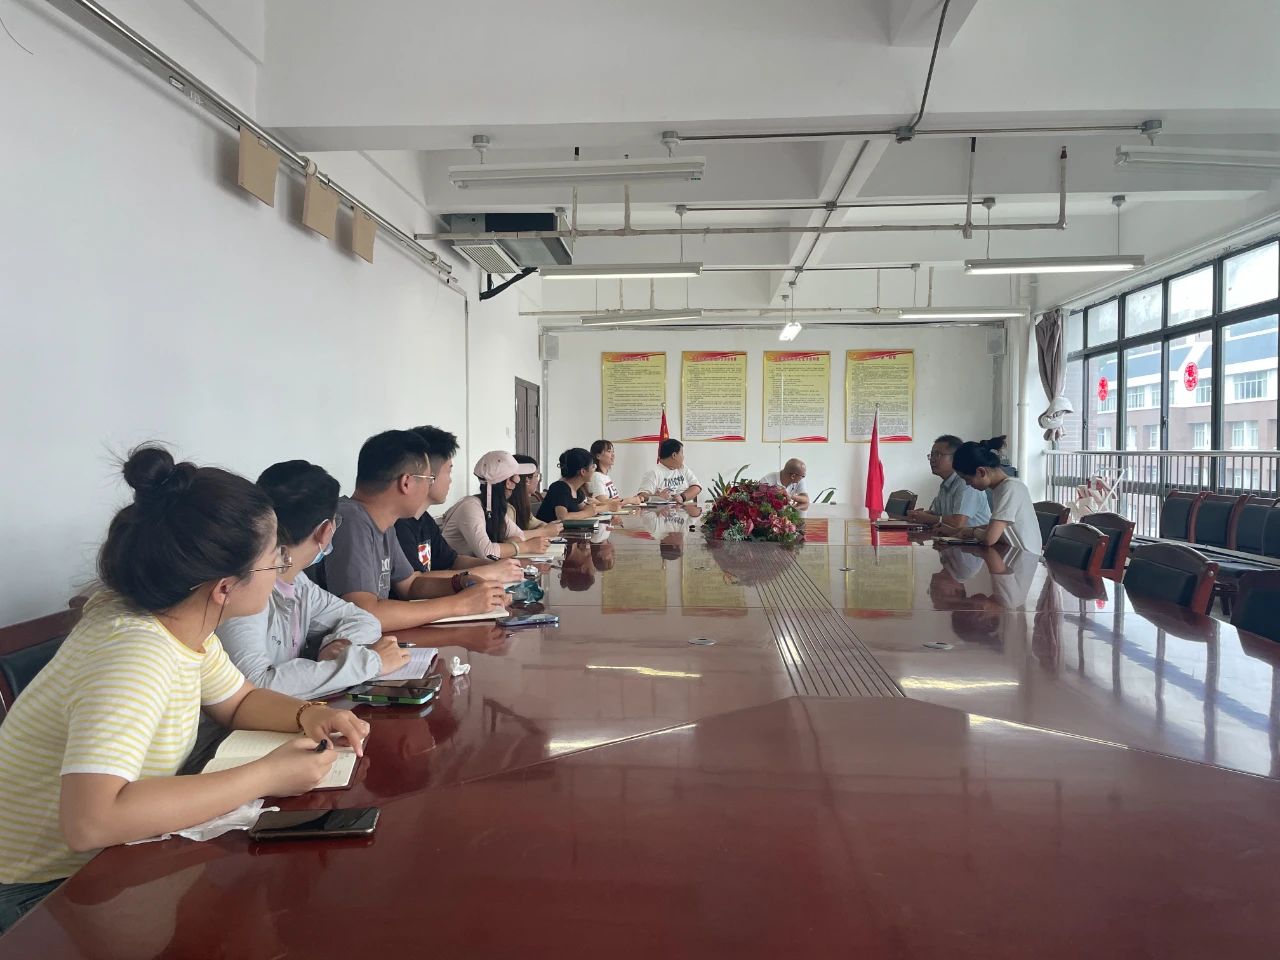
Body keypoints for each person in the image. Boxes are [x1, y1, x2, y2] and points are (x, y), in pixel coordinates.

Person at [0, 447, 369, 929]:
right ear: (224, 587)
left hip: (111, 858)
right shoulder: (136, 654)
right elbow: (91, 822)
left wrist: (310, 714)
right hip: (43, 891)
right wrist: (266, 776)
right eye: (273, 558)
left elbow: (239, 701)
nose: (283, 565)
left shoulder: (182, 623)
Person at [219, 460, 409, 700]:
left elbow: (363, 619)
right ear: (325, 530)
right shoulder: (244, 589)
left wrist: (338, 643)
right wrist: (370, 662)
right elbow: (254, 686)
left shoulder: (297, 583)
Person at [323, 430, 510, 632]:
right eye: (429, 479)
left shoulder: (385, 524)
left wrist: (460, 583)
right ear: (406, 482)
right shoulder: (350, 521)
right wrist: (460, 605)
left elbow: (411, 585)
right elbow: (364, 614)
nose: (430, 486)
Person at [393, 426, 525, 581]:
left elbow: (452, 561)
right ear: (428, 475)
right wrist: (489, 572)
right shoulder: (399, 525)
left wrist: (496, 566)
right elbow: (415, 582)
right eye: (449, 471)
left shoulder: (425, 520)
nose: (450, 480)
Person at [439, 451, 554, 561]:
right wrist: (526, 547)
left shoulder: (494, 507)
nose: (518, 482)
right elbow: (487, 553)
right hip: (454, 571)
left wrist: (509, 544)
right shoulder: (470, 507)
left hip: (477, 568)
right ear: (508, 482)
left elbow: (518, 535)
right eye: (516, 477)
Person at [946, 436, 1042, 553]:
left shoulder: (1010, 488)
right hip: (1012, 553)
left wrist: (972, 532)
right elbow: (994, 527)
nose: (967, 484)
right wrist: (958, 531)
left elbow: (989, 538)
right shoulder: (1000, 488)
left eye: (968, 479)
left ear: (981, 472)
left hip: (1025, 558)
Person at [907, 435, 993, 528]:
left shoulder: (966, 483)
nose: (932, 459)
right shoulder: (945, 484)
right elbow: (937, 514)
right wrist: (918, 515)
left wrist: (927, 518)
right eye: (931, 455)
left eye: (937, 455)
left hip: (975, 537)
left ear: (956, 457)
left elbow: (958, 523)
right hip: (952, 536)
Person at [537, 448, 603, 523]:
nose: (595, 469)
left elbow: (585, 508)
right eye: (593, 466)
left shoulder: (577, 489)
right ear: (583, 471)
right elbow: (562, 517)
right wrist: (587, 513)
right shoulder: (560, 487)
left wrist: (596, 507)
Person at [509, 454, 563, 535]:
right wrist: (544, 531)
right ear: (527, 480)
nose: (538, 480)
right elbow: (511, 537)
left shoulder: (522, 503)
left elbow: (537, 524)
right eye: (537, 476)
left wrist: (547, 528)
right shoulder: (507, 507)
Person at [637, 439, 703, 503]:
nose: (683, 457)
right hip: (663, 509)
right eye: (682, 453)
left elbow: (697, 487)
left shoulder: (683, 468)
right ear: (674, 455)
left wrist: (682, 497)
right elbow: (641, 495)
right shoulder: (653, 473)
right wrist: (657, 497)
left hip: (686, 508)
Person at [587, 440, 643, 507]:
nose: (613, 455)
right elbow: (604, 502)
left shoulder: (605, 476)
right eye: (609, 451)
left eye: (613, 452)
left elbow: (613, 500)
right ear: (598, 456)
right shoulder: (596, 476)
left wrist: (633, 500)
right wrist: (629, 500)